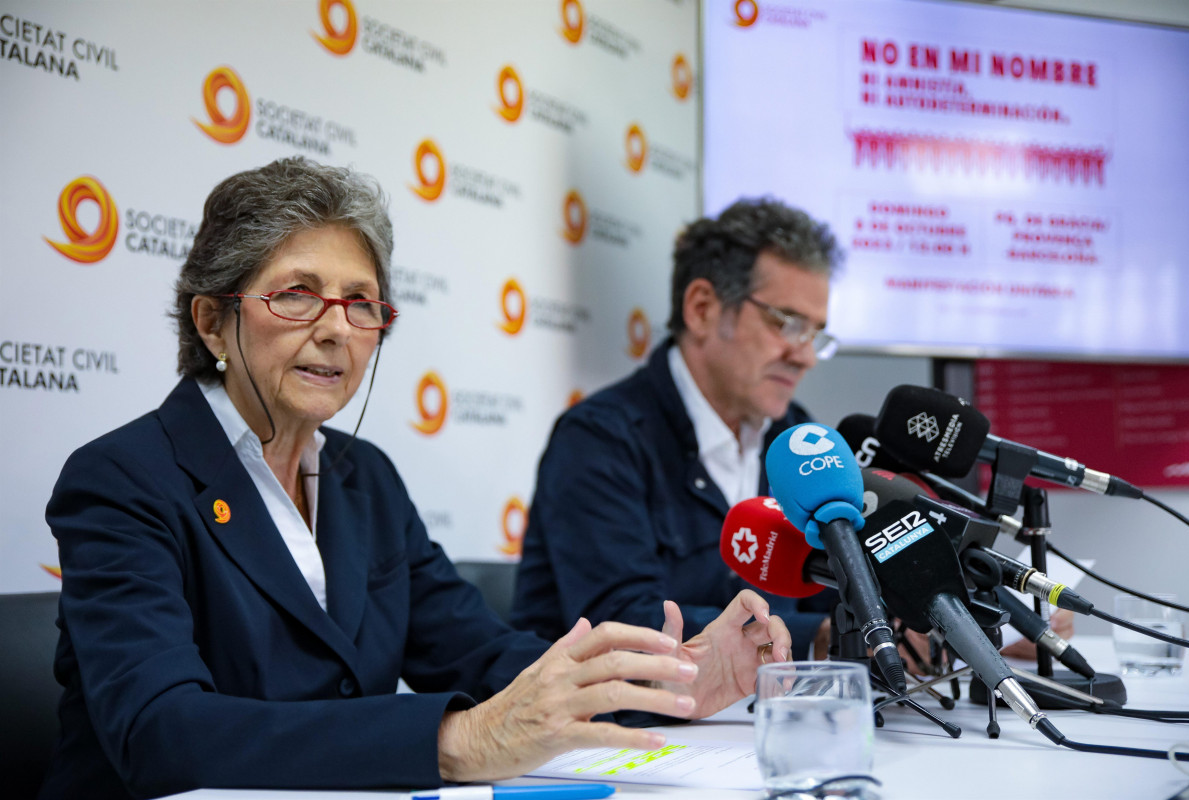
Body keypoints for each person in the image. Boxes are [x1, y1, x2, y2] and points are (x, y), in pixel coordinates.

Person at [40, 158, 792, 800]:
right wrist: (455, 740)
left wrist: (668, 679)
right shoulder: (121, 479)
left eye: (361, 303)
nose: (336, 329)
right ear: (211, 322)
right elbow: (163, 734)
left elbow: (484, 655)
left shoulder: (364, 478)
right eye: (296, 294)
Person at [512, 198, 841, 656]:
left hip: (763, 718)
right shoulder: (599, 439)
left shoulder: (799, 439)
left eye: (816, 334)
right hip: (619, 722)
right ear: (702, 308)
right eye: (787, 324)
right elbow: (622, 624)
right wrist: (821, 640)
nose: (805, 356)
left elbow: (837, 591)